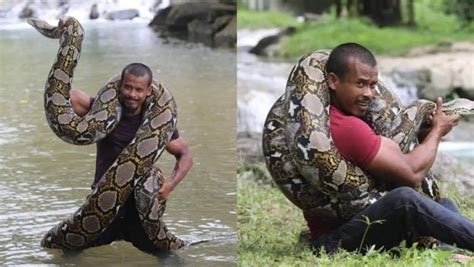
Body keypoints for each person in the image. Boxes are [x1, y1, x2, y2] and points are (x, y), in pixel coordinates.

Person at [305, 42, 474, 253]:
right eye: (360, 84)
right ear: (333, 81)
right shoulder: (345, 126)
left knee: (442, 205)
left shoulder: (354, 117)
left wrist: (426, 133)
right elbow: (411, 172)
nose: (369, 94)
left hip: (363, 220)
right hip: (336, 241)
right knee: (405, 200)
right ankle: (448, 245)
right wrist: (437, 132)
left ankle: (447, 247)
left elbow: (396, 155)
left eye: (372, 85)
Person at [70, 63, 193, 252]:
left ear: (148, 91)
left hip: (140, 207)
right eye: (127, 87)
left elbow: (185, 154)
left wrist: (170, 186)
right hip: (103, 204)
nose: (132, 94)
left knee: (166, 256)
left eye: (138, 90)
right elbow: (70, 97)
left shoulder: (159, 123)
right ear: (120, 86)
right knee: (69, 249)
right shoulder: (102, 114)